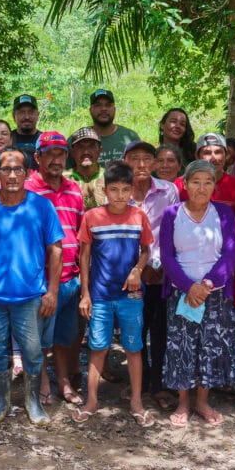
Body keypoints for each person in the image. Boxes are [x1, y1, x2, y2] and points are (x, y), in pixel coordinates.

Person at [0, 147, 63, 426]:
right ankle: (1, 400)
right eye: (6, 169)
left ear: (28, 172)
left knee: (33, 351)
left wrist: (52, 291)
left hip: (30, 295)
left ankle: (31, 400)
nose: (11, 175)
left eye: (18, 169)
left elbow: (56, 249)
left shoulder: (41, 206)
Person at [72, 161, 155, 427]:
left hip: (131, 296)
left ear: (132, 189)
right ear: (105, 190)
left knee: (133, 348)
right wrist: (85, 294)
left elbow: (146, 250)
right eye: (114, 189)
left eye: (125, 189)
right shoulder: (92, 217)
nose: (120, 195)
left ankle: (136, 402)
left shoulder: (138, 216)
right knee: (97, 348)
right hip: (100, 295)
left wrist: (138, 271)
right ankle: (92, 400)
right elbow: (84, 257)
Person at [159, 160, 235, 427]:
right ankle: (183, 403)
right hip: (182, 294)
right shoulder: (172, 214)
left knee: (210, 347)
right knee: (182, 347)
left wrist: (205, 285)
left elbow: (229, 255)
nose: (201, 187)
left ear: (214, 186)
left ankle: (203, 401)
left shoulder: (224, 213)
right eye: (196, 181)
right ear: (185, 184)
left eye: (207, 182)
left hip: (214, 293)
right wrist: (188, 287)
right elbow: (167, 257)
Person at [27, 132, 85, 407]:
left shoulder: (74, 189)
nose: (55, 159)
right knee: (39, 338)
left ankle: (62, 380)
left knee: (64, 336)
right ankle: (43, 381)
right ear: (37, 157)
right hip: (40, 280)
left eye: (60, 153)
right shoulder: (28, 189)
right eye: (48, 153)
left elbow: (81, 233)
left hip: (71, 278)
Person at [125, 141, 179, 404]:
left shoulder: (168, 191)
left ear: (156, 164)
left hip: (159, 273)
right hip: (127, 274)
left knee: (159, 330)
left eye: (147, 159)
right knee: (134, 327)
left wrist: (156, 266)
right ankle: (139, 381)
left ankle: (158, 383)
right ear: (126, 162)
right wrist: (136, 269)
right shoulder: (118, 190)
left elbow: (172, 233)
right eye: (135, 159)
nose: (142, 165)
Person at [175, 133, 235, 217]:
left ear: (226, 155)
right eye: (207, 153)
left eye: (218, 152)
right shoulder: (179, 185)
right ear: (197, 155)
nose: (213, 158)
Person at [89, 89, 140, 163]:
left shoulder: (131, 138)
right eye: (98, 105)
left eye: (108, 105)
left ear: (114, 110)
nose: (103, 109)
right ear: (90, 110)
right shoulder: (78, 140)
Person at [64, 127, 106, 210]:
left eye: (91, 146)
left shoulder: (110, 177)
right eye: (80, 147)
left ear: (100, 150)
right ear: (72, 151)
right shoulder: (62, 179)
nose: (86, 152)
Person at [11, 94, 42, 167]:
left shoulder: (44, 140)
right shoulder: (6, 139)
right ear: (13, 116)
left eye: (31, 112)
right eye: (21, 112)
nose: (27, 117)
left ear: (37, 115)